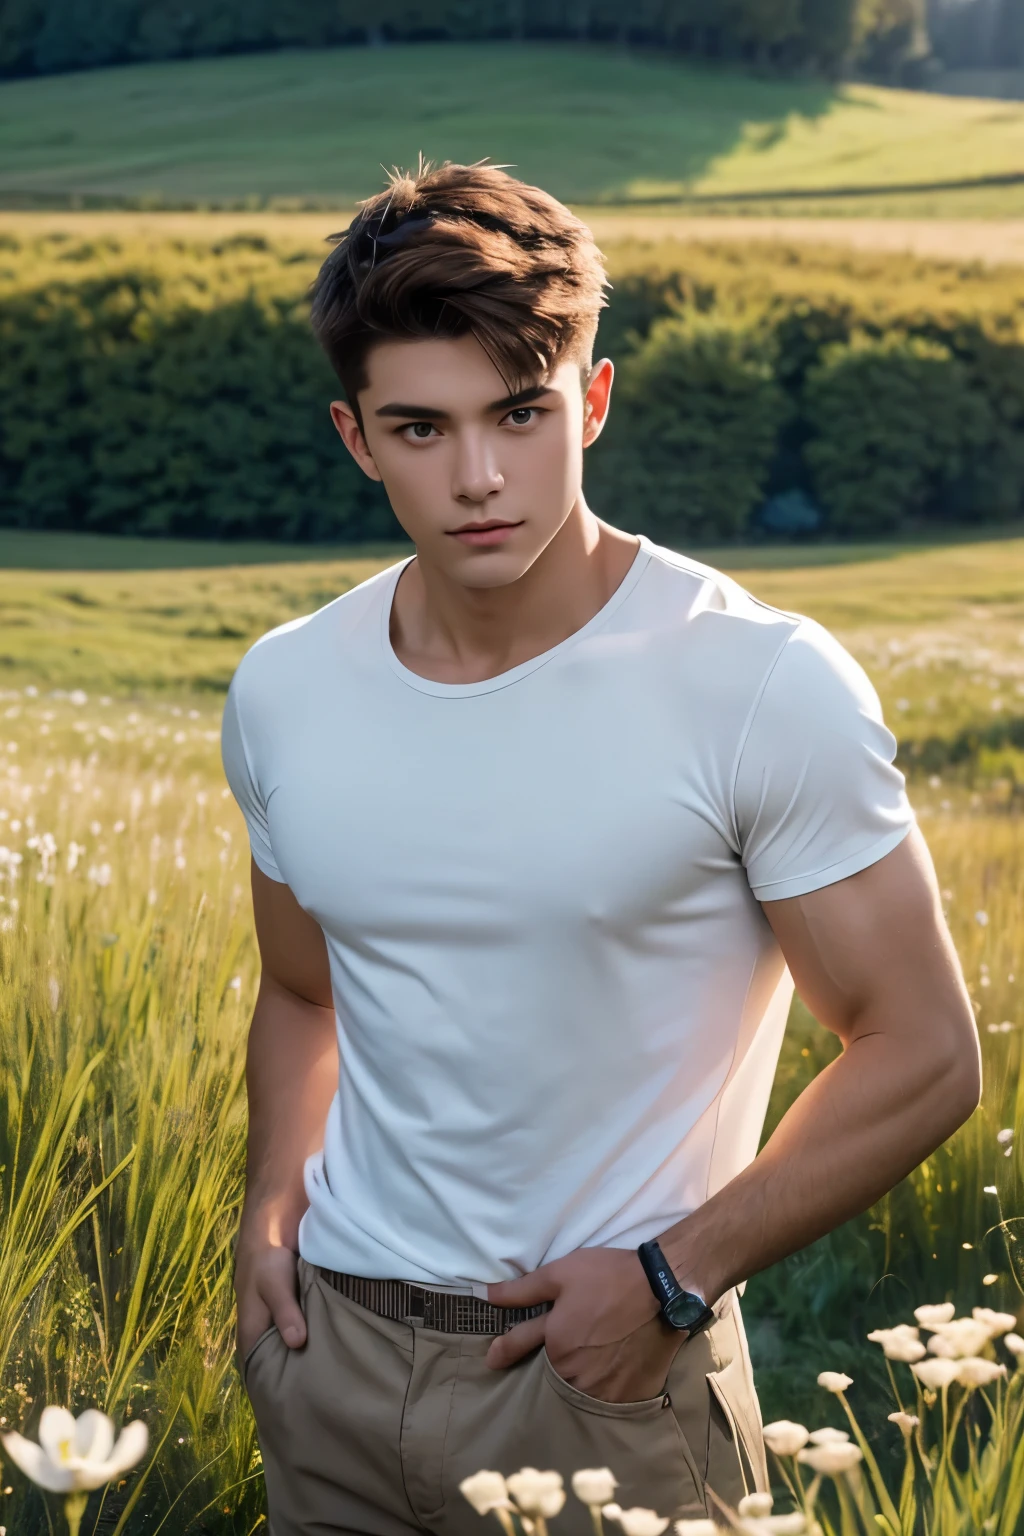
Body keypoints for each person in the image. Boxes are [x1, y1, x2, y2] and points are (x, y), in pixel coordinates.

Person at [220, 160, 981, 1536]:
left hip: (604, 1388)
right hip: (324, 1364)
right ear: (356, 436)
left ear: (596, 398)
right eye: (420, 428)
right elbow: (299, 990)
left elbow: (925, 1049)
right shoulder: (286, 686)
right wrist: (272, 1199)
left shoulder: (755, 682)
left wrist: (674, 1281)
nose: (479, 477)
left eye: (522, 413)